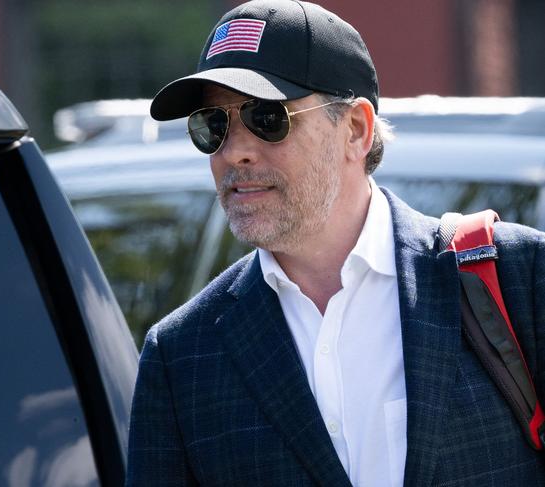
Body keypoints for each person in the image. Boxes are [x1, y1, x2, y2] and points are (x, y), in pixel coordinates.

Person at [126, 0, 545, 485]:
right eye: (213, 126)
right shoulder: (179, 357)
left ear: (355, 129)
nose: (235, 151)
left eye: (267, 117)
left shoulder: (520, 278)